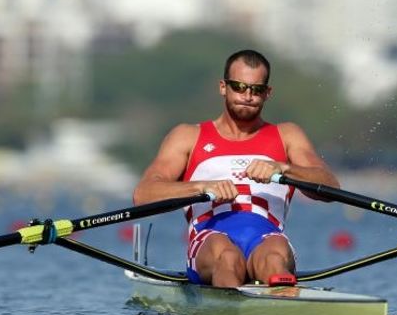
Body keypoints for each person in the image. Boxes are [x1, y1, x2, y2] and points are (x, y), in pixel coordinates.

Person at [133, 49, 341, 288]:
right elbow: (144, 194)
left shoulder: (287, 135)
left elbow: (330, 185)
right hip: (208, 237)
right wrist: (202, 186)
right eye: (239, 87)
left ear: (267, 93)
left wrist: (284, 169)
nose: (248, 96)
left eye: (257, 89)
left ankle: (280, 301)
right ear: (223, 87)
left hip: (266, 235)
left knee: (274, 257)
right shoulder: (188, 136)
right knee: (228, 258)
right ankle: (233, 308)